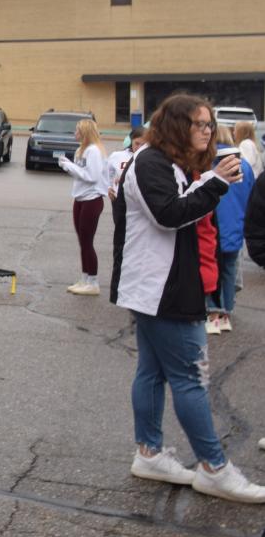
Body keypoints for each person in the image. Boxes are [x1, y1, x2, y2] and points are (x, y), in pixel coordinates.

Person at [112, 94, 265, 502]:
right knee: (190, 378)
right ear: (177, 126)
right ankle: (214, 467)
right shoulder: (150, 163)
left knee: (153, 371)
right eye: (199, 125)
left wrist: (209, 178)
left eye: (210, 125)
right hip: (161, 290)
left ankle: (149, 453)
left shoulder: (168, 164)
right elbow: (169, 213)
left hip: (162, 286)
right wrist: (215, 181)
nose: (207, 131)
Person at [206, 124, 255, 333]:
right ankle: (226, 313)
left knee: (209, 268)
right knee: (228, 270)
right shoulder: (244, 166)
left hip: (212, 225)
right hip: (237, 225)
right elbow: (252, 197)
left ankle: (212, 312)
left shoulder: (208, 163)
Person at [57, 119, 107, 295]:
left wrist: (69, 165)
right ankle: (85, 278)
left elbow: (92, 176)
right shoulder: (82, 150)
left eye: (77, 130)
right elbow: (81, 174)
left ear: (85, 132)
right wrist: (69, 166)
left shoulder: (93, 151)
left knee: (87, 241)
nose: (75, 133)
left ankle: (93, 282)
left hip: (92, 199)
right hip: (80, 198)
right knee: (82, 241)